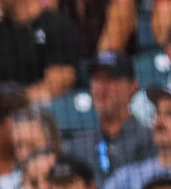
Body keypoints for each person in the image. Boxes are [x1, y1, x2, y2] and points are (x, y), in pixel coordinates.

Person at [66, 50, 154, 180]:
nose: (102, 87)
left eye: (111, 79)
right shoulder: (77, 145)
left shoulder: (149, 139)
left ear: (132, 86)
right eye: (97, 79)